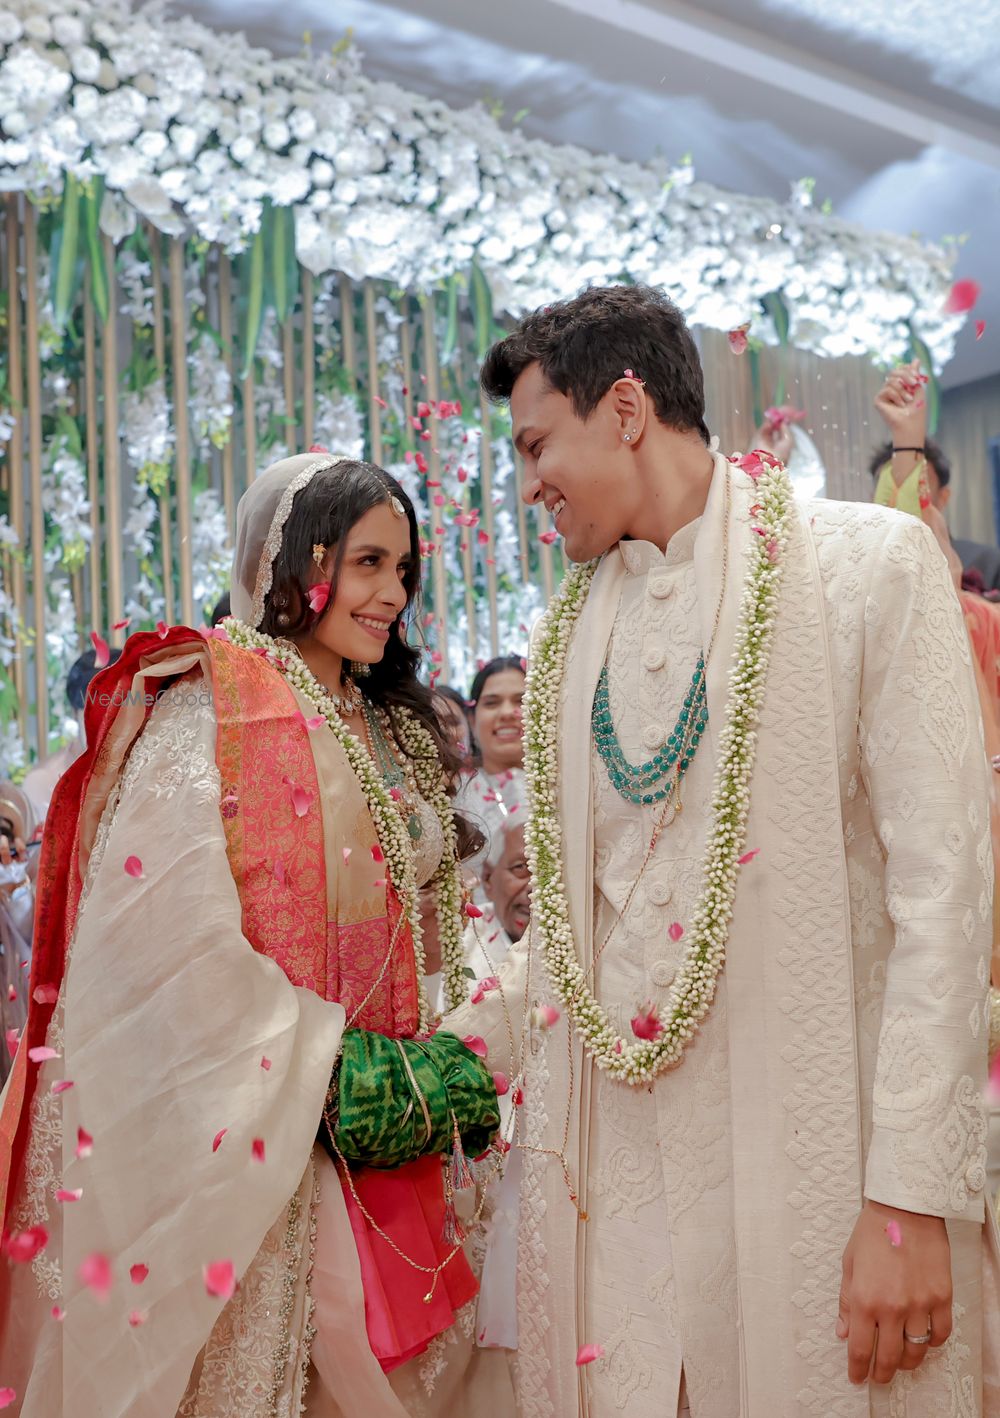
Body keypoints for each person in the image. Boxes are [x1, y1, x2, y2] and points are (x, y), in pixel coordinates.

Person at [445, 284, 1000, 1416]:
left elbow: (945, 897)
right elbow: (569, 931)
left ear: (630, 407)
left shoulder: (868, 566)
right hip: (620, 1211)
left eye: (538, 443)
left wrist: (908, 1199)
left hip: (825, 1181)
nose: (527, 484)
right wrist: (423, 1061)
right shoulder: (561, 645)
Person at [0, 452, 513, 1417]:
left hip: (392, 1129)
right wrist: (323, 1068)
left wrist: (444, 1060)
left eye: (404, 570)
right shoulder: (213, 708)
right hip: (262, 1139)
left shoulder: (385, 723)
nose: (392, 594)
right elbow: (160, 952)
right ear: (297, 563)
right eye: (367, 564)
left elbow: (428, 920)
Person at [21, 647, 123, 829]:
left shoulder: (145, 771)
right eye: (99, 712)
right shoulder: (44, 781)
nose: (111, 724)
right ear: (75, 712)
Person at [455, 656, 526, 894]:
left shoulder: (574, 788)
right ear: (472, 720)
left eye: (521, 700)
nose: (507, 712)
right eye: (492, 703)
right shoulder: (453, 795)